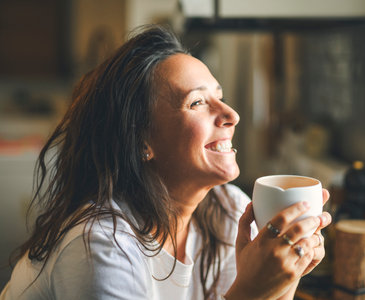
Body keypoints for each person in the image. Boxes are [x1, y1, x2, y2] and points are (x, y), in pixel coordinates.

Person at [0, 25, 331, 300]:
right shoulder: (100, 245)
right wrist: (251, 292)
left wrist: (284, 277)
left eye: (221, 97)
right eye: (198, 102)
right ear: (141, 139)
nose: (232, 115)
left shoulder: (229, 211)